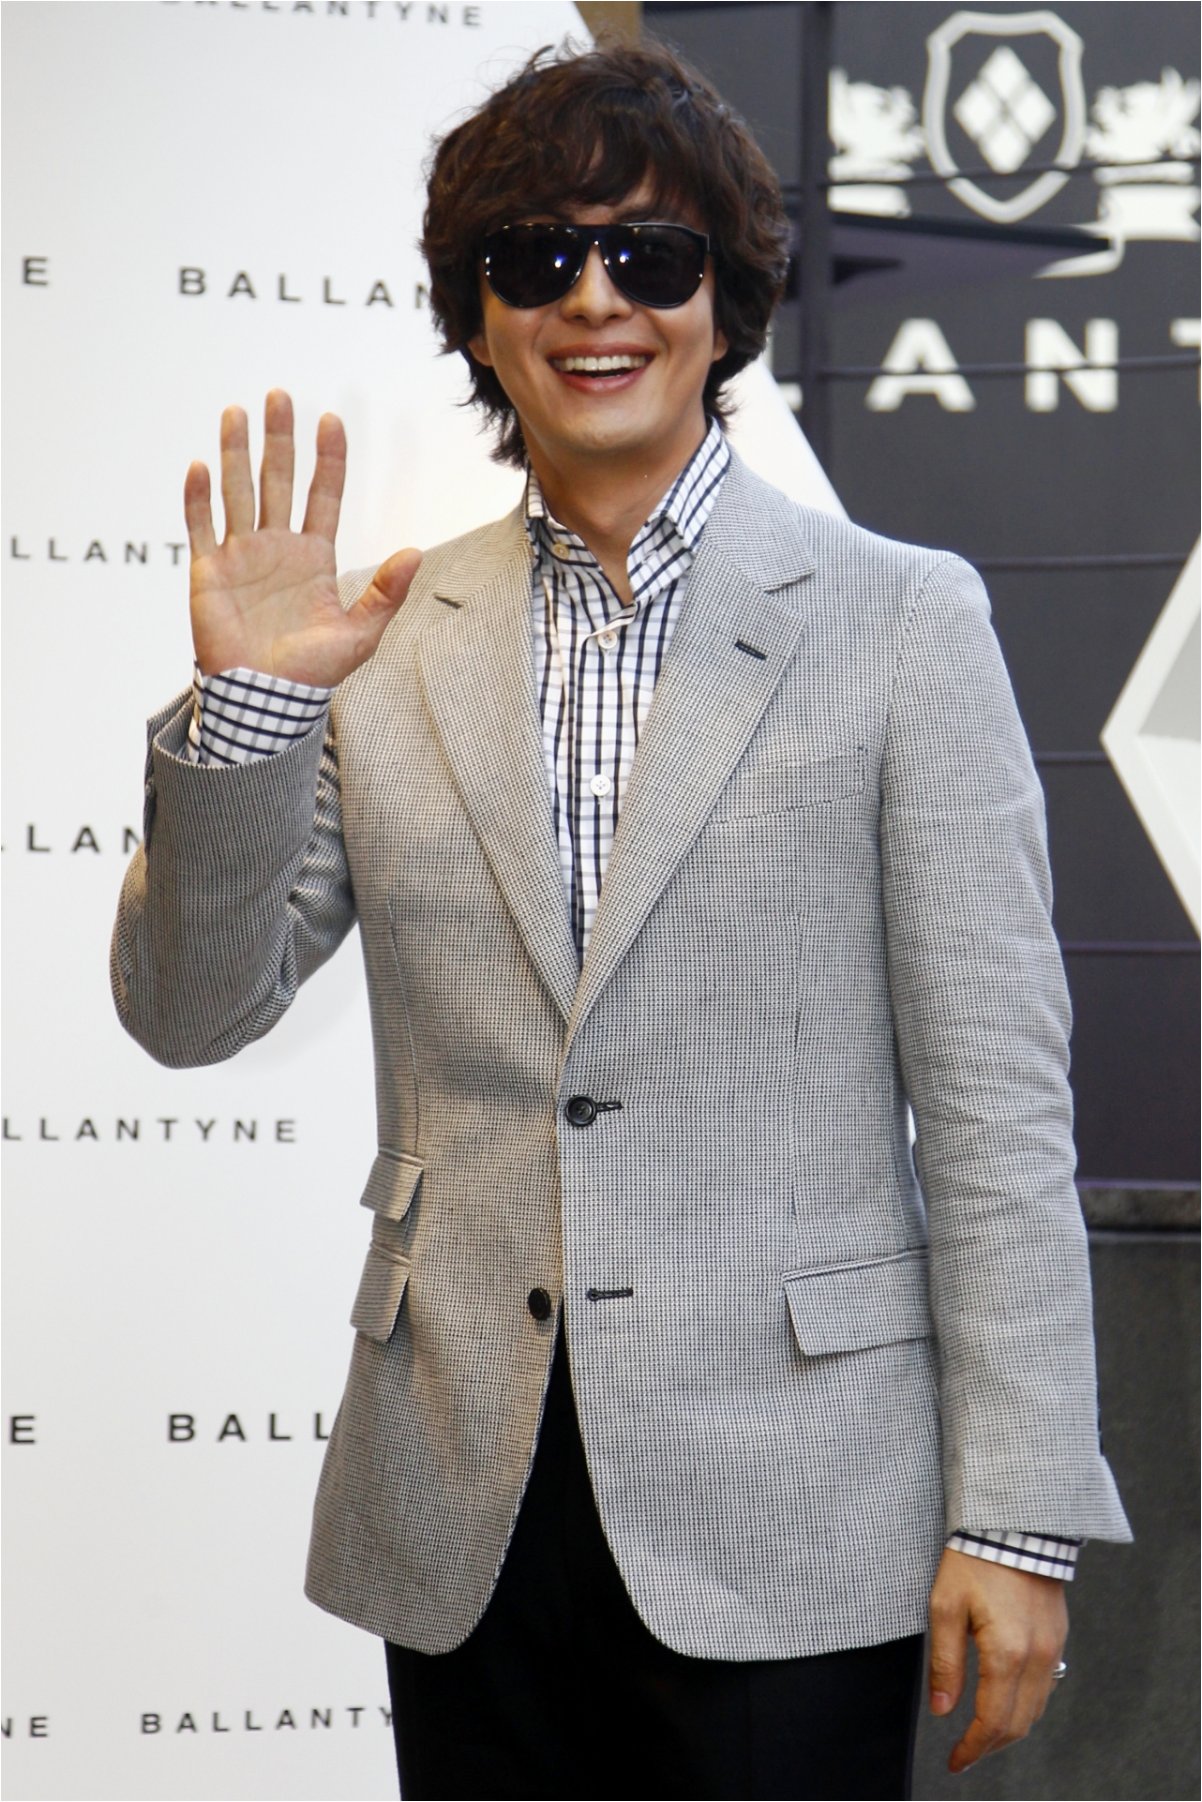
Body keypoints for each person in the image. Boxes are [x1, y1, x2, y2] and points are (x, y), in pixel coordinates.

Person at [112, 39, 1130, 1802]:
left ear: (723, 305)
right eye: (538, 257)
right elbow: (190, 1009)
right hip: (463, 1499)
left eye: (649, 257)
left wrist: (1016, 1511)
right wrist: (253, 709)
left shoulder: (901, 625)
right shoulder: (380, 637)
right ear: (478, 312)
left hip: (795, 1501)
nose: (595, 300)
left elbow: (992, 1110)